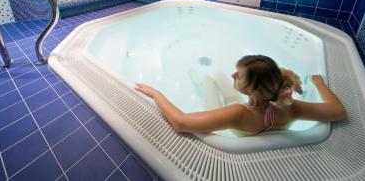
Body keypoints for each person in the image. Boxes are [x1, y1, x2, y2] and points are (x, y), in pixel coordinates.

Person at [135, 55, 347, 135]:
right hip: (252, 108)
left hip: (233, 123)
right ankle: (204, 77)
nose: (233, 74)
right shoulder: (289, 106)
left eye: (239, 76)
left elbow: (181, 123)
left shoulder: (237, 113)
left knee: (209, 80)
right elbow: (338, 111)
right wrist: (319, 81)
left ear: (253, 91)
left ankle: (196, 77)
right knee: (218, 74)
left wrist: (156, 93)